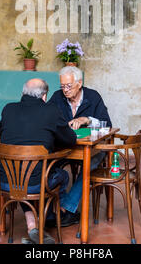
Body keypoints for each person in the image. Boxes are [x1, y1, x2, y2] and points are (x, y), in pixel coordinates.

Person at [0, 78, 77, 244]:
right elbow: (70, 140)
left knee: (22, 178)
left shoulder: (8, 109)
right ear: (44, 96)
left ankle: (32, 226)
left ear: (23, 93)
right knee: (62, 175)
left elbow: (3, 135)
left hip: (6, 181)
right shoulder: (51, 110)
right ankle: (51, 217)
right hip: (36, 183)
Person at [46, 66, 112, 227]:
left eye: (69, 86)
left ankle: (65, 208)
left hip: (92, 148)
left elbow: (108, 125)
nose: (65, 90)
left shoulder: (93, 96)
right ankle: (53, 209)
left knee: (90, 163)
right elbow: (46, 118)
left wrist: (87, 119)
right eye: (62, 86)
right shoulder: (57, 97)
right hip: (65, 147)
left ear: (79, 83)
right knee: (50, 165)